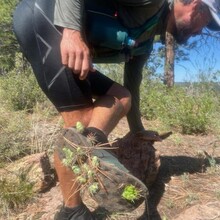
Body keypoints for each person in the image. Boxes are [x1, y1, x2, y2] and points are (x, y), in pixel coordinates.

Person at [13, 0, 220, 219]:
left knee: (122, 97)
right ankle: (71, 211)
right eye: (205, 22)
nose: (200, 32)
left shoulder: (147, 37)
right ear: (196, 6)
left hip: (62, 35)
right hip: (48, 21)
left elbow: (132, 85)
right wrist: (72, 33)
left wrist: (137, 130)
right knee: (79, 122)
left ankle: (93, 145)